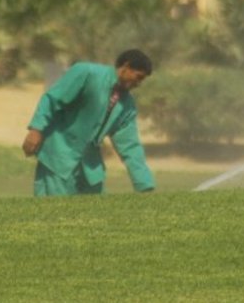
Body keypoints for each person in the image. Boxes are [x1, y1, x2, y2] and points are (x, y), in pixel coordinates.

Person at [22, 49, 156, 197]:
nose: (138, 83)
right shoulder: (86, 73)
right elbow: (52, 99)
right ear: (126, 66)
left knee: (95, 210)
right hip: (59, 158)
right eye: (138, 77)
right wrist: (36, 130)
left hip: (90, 167)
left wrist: (144, 183)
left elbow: (130, 145)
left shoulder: (127, 105)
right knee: (53, 209)